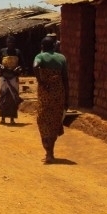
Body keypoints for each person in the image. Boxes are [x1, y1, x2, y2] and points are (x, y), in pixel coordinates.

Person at [33, 35, 69, 164]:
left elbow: (35, 66)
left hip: (45, 95)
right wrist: (67, 98)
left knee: (42, 120)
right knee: (55, 122)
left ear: (42, 46)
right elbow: (65, 80)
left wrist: (41, 80)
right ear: (54, 46)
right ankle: (50, 152)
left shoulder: (40, 56)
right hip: (59, 94)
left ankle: (48, 151)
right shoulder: (61, 58)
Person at [0, 35, 24, 125]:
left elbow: (22, 64)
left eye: (12, 43)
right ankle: (3, 118)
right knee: (2, 97)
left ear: (14, 44)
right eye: (9, 42)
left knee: (13, 98)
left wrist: (18, 69)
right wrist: (0, 66)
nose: (10, 44)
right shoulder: (2, 51)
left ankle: (12, 119)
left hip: (13, 78)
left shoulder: (18, 52)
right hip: (4, 78)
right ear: (6, 43)